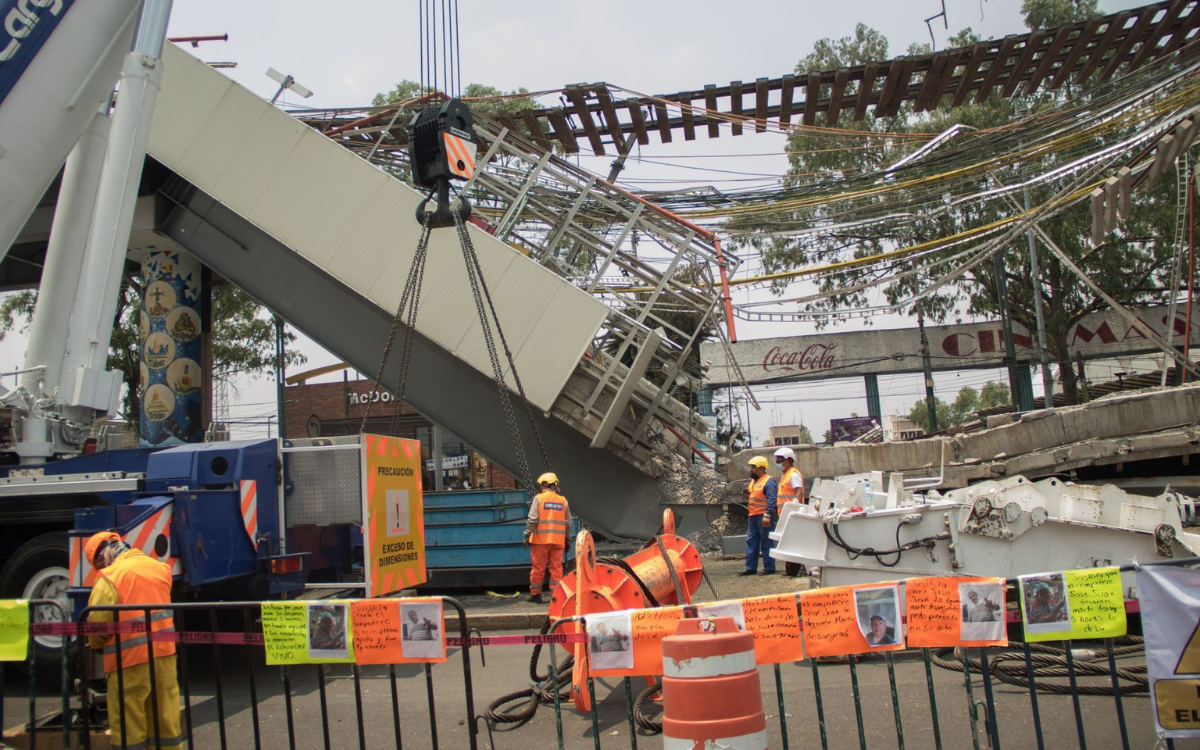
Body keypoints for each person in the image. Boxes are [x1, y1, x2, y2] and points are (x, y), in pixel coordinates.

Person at [84, 531, 183, 750]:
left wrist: (97, 645)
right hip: (165, 657)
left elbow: (98, 625)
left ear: (101, 556)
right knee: (165, 724)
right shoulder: (159, 568)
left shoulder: (109, 577)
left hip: (127, 663)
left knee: (130, 729)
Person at [524, 472, 572, 603]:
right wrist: (567, 539)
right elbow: (568, 523)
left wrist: (527, 534)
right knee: (556, 569)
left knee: (538, 568)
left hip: (541, 541)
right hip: (558, 541)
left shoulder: (539, 499)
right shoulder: (563, 501)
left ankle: (535, 595)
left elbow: (533, 519)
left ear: (544, 485)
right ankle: (556, 597)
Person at [740, 456, 777, 576]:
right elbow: (755, 496)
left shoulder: (769, 481)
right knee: (751, 541)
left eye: (753, 467)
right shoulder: (754, 481)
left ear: (761, 468)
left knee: (766, 542)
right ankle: (750, 568)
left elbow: (772, 499)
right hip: (753, 515)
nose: (751, 469)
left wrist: (768, 514)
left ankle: (769, 567)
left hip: (763, 515)